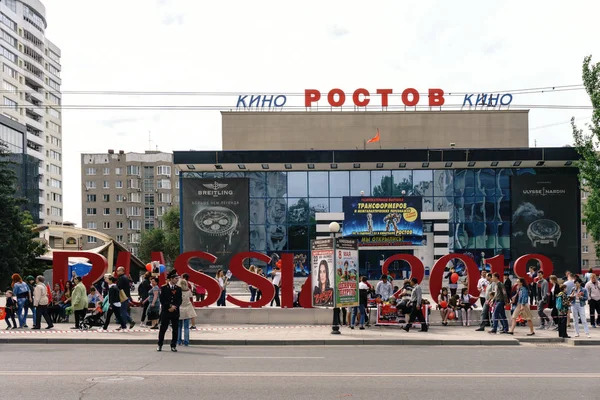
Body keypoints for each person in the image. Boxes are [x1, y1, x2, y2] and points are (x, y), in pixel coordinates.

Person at [157, 270, 183, 352]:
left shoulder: (178, 289)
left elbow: (180, 300)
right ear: (171, 279)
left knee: (175, 329)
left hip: (175, 311)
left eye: (177, 279)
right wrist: (169, 306)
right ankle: (160, 344)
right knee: (163, 329)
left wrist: (175, 306)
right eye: (175, 279)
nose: (177, 280)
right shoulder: (164, 288)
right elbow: (162, 299)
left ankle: (173, 345)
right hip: (166, 311)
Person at [177, 275, 197, 347]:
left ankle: (178, 341)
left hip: (179, 309)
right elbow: (191, 300)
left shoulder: (178, 291)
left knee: (179, 327)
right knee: (186, 327)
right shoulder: (189, 291)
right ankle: (186, 341)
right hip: (187, 309)